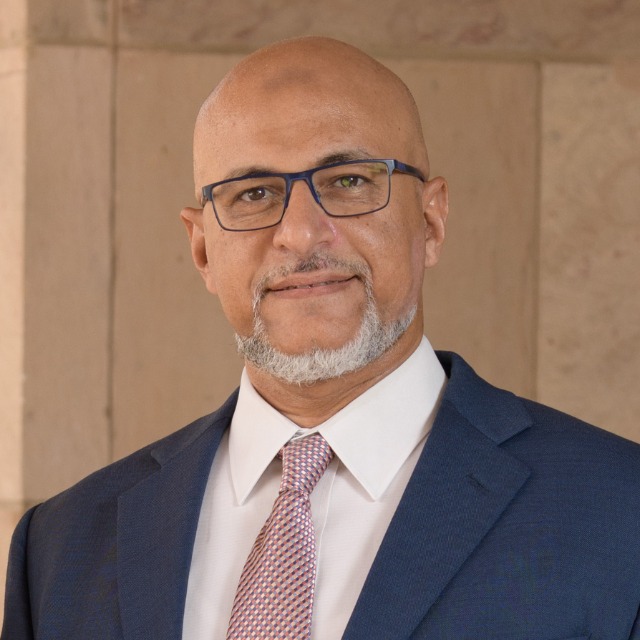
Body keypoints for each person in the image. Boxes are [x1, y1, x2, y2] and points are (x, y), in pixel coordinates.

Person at [3, 36, 640, 640]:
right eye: (253, 194)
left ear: (432, 220)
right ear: (201, 249)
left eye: (350, 181)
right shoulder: (62, 548)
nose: (302, 234)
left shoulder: (619, 515)